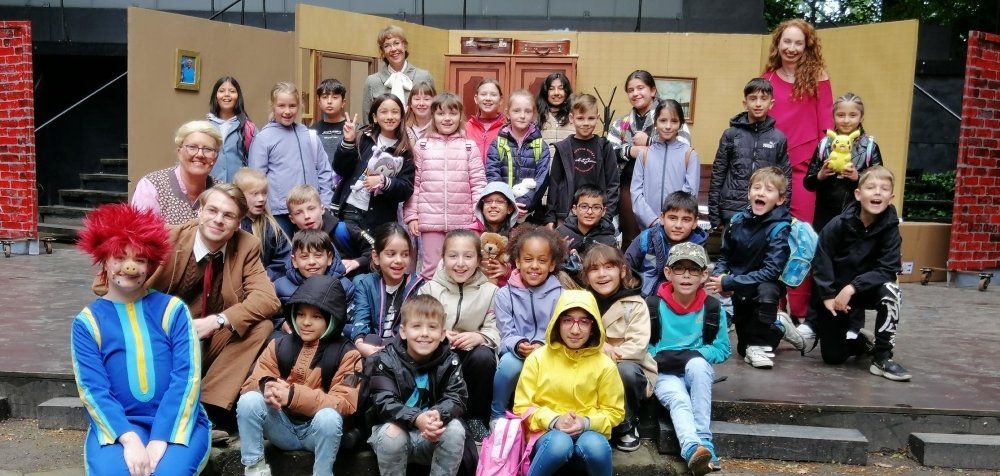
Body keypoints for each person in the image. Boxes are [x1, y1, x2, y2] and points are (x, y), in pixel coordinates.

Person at [73, 204, 210, 476]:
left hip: (178, 423)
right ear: (104, 259)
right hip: (118, 427)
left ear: (150, 264)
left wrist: (161, 438)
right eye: (119, 256)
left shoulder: (172, 310)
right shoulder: (87, 322)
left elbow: (187, 377)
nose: (130, 266)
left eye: (140, 258)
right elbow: (93, 389)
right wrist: (129, 439)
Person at [146, 183, 280, 437]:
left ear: (238, 223)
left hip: (208, 338)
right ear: (199, 211)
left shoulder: (246, 245)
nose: (218, 220)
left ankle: (207, 410)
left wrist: (218, 320)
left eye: (228, 215)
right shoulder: (167, 237)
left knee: (261, 326)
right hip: (161, 338)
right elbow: (108, 282)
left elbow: (268, 299)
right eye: (212, 210)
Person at [236, 275, 362, 476]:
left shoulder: (350, 355)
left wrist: (293, 396)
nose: (306, 322)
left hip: (318, 434)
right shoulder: (278, 345)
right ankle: (255, 468)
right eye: (301, 314)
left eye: (316, 317)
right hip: (281, 428)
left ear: (332, 319)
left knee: (329, 417)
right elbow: (249, 384)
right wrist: (266, 386)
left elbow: (346, 404)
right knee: (249, 400)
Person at [762, 18, 834, 324]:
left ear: (807, 47)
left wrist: (823, 166)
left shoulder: (818, 77)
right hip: (773, 171)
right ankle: (774, 310)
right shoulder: (766, 79)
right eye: (786, 41)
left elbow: (827, 125)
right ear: (778, 44)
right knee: (773, 239)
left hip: (805, 170)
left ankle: (802, 315)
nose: (791, 48)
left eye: (798, 43)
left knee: (803, 239)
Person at [811, 166, 909, 381]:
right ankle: (861, 343)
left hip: (867, 290)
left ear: (891, 198)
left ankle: (882, 357)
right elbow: (821, 259)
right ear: (858, 194)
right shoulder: (838, 224)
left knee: (891, 291)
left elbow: (888, 268)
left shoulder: (891, 229)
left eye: (884, 189)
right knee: (833, 357)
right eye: (871, 187)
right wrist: (827, 296)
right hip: (836, 294)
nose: (877, 192)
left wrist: (853, 287)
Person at [512, 290, 625, 476]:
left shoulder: (605, 365)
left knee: (596, 446)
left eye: (584, 322)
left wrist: (585, 422)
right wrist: (554, 420)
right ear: (557, 323)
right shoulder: (538, 358)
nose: (575, 330)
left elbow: (615, 412)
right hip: (547, 438)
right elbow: (522, 406)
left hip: (589, 434)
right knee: (559, 443)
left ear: (594, 326)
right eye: (567, 320)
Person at [704, 167, 804, 368]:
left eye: (769, 190)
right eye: (757, 188)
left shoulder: (780, 228)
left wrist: (730, 282)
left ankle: (760, 344)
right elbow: (725, 254)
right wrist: (720, 275)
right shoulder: (736, 221)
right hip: (740, 288)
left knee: (766, 294)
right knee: (743, 348)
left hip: (764, 287)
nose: (761, 193)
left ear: (780, 199)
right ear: (749, 193)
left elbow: (771, 271)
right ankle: (779, 327)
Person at [647, 242, 730, 475]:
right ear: (668, 273)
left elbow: (722, 349)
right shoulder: (653, 306)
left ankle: (705, 440)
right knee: (679, 400)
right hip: (665, 373)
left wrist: (694, 354)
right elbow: (643, 346)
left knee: (697, 364)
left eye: (693, 269)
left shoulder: (712, 308)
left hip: (696, 372)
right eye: (679, 268)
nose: (686, 275)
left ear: (704, 275)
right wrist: (661, 357)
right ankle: (693, 449)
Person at [368, 295, 468, 476]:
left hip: (432, 438)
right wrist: (416, 418)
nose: (424, 333)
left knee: (455, 429)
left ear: (443, 334)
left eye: (432, 327)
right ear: (403, 331)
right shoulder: (385, 360)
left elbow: (457, 397)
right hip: (394, 439)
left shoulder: (450, 361)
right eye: (416, 326)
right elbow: (384, 402)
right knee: (392, 434)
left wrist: (438, 414)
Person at [418, 230, 500, 441]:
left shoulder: (490, 292)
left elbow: (495, 328)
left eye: (468, 256)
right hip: (438, 353)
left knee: (484, 356)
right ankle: (432, 412)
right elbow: (417, 326)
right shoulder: (429, 289)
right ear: (443, 258)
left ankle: (475, 417)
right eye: (453, 256)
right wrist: (440, 334)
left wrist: (480, 337)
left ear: (478, 260)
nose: (460, 263)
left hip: (470, 355)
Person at [404, 92, 487, 279]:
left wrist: (478, 216)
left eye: (453, 113)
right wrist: (412, 216)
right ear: (433, 116)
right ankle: (428, 299)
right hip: (430, 221)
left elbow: (478, 184)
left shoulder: (469, 147)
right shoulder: (422, 146)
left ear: (460, 116)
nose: (447, 118)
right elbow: (414, 185)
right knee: (431, 269)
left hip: (464, 222)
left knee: (462, 268)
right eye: (441, 114)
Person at [580, 243, 652, 452]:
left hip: (625, 365)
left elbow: (637, 347)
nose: (602, 274)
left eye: (609, 267)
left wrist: (605, 353)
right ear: (586, 277)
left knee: (625, 371)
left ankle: (626, 424)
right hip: (588, 363)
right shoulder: (582, 302)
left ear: (622, 271)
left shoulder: (635, 304)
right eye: (594, 269)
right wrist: (598, 348)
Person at [491, 225, 566, 421]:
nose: (534, 266)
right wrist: (518, 344)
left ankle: (546, 417)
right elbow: (505, 332)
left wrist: (542, 345)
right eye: (528, 259)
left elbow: (561, 333)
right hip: (516, 351)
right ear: (517, 262)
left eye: (542, 261)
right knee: (509, 365)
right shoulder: (504, 295)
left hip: (550, 351)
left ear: (552, 265)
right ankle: (496, 415)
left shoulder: (561, 295)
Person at [609, 70, 692, 247]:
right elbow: (609, 152)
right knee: (632, 239)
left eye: (641, 88)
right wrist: (631, 150)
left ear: (653, 91)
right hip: (629, 187)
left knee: (665, 238)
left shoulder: (670, 117)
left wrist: (649, 142)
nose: (635, 93)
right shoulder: (621, 123)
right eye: (631, 90)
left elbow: (682, 145)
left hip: (665, 186)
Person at [248, 82, 335, 240]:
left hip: (310, 211)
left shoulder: (308, 135)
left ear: (299, 106)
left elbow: (324, 170)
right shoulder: (263, 138)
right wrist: (265, 210)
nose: (287, 111)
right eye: (281, 106)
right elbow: (256, 180)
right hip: (279, 214)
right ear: (273, 106)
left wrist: (325, 202)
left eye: (292, 106)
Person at [708, 78, 792, 230]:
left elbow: (785, 179)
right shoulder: (731, 135)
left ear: (771, 103)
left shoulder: (778, 138)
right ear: (745, 103)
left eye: (763, 99)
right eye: (753, 99)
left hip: (766, 213)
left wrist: (782, 213)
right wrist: (714, 215)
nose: (758, 104)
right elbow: (718, 175)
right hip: (732, 211)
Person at [333, 93, 415, 232]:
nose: (390, 116)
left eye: (395, 112)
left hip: (379, 218)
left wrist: (384, 182)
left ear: (402, 116)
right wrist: (348, 141)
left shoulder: (404, 149)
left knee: (372, 247)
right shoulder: (363, 137)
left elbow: (406, 188)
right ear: (375, 117)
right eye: (384, 112)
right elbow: (341, 169)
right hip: (350, 209)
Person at [804, 92, 884, 234]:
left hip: (858, 212)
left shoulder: (869, 147)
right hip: (825, 213)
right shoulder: (824, 145)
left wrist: (858, 178)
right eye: (841, 115)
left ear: (861, 117)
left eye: (853, 115)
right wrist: (820, 175)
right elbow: (808, 184)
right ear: (833, 116)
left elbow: (880, 184)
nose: (846, 120)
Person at [350, 223, 425, 356]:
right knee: (370, 339)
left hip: (403, 348)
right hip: (372, 346)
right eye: (391, 254)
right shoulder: (365, 284)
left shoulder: (417, 286)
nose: (399, 260)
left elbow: (415, 326)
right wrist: (360, 344)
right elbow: (361, 317)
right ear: (376, 257)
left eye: (405, 254)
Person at [547, 93, 620, 230]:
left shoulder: (604, 147)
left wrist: (607, 215)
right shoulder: (563, 148)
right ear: (571, 118)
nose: (586, 123)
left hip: (597, 215)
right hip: (567, 215)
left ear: (597, 118)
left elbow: (613, 184)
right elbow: (554, 184)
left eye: (591, 118)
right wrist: (550, 217)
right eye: (580, 118)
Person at [132, 120, 220, 225]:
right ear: (179, 152)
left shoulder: (221, 191)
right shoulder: (152, 186)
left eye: (208, 149)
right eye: (192, 147)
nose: (200, 154)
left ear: (216, 157)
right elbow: (142, 232)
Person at [631, 99, 700, 230]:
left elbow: (690, 194)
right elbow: (636, 192)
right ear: (655, 122)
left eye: (674, 121)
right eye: (663, 120)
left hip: (677, 227)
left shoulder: (690, 155)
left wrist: (672, 220)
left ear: (680, 124)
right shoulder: (644, 155)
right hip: (649, 226)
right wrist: (652, 220)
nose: (668, 126)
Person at [485, 90, 551, 225]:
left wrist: (524, 203)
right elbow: (493, 175)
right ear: (508, 113)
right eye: (516, 111)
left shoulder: (541, 146)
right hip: (503, 212)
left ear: (534, 114)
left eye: (528, 111)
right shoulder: (497, 143)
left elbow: (542, 179)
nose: (522, 116)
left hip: (531, 213)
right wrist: (509, 203)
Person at [625, 191, 708, 297]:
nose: (678, 225)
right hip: (645, 298)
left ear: (695, 222)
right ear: (662, 217)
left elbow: (700, 280)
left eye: (686, 220)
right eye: (672, 218)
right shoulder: (647, 238)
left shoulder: (698, 246)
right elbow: (626, 267)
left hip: (681, 300)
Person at [273, 229, 355, 335]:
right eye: (304, 257)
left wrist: (330, 331)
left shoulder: (344, 286)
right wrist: (282, 324)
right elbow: (271, 319)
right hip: (292, 338)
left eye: (318, 255)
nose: (311, 262)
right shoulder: (279, 287)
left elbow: (352, 322)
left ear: (329, 258)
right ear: (294, 261)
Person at [287, 184, 373, 277]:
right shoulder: (293, 241)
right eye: (298, 213)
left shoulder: (343, 230)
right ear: (292, 219)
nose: (307, 216)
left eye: (311, 209)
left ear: (322, 209)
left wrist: (357, 262)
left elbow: (376, 250)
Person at [362, 25, 434, 125]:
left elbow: (433, 112)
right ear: (383, 51)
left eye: (396, 43)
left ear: (404, 45)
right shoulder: (372, 81)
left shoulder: (424, 77)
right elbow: (368, 121)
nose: (393, 49)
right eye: (387, 46)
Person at [234, 167, 290, 282]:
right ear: (240, 195)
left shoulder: (271, 227)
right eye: (255, 194)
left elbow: (283, 258)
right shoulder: (233, 225)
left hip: (264, 282)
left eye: (264, 193)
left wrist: (265, 277)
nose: (261, 199)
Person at [207, 76, 257, 183]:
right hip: (211, 187)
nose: (227, 94)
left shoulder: (248, 127)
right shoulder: (206, 127)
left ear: (238, 96)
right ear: (215, 96)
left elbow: (256, 162)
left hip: (238, 187)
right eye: (221, 91)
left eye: (232, 91)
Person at [474, 182, 519, 287]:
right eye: (488, 201)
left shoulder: (516, 236)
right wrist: (476, 264)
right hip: (474, 289)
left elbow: (524, 268)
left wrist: (507, 271)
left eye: (500, 201)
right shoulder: (471, 233)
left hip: (506, 291)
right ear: (481, 207)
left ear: (510, 208)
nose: (493, 205)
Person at [555, 185, 616, 258]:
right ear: (574, 209)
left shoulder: (608, 240)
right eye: (584, 207)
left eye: (596, 207)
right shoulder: (561, 233)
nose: (589, 212)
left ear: (604, 211)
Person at [536, 72, 576, 158]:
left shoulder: (575, 117)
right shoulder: (536, 117)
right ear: (545, 92)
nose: (556, 93)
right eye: (551, 89)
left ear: (567, 92)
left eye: (561, 88)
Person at [312, 78, 349, 170]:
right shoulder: (312, 131)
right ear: (319, 102)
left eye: (335, 97)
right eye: (324, 97)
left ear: (343, 102)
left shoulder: (353, 128)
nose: (329, 101)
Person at [465, 79, 505, 164]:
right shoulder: (466, 128)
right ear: (476, 99)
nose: (488, 98)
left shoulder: (507, 128)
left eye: (493, 95)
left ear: (501, 100)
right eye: (483, 94)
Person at [404, 81, 436, 146]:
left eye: (426, 99)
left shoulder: (440, 127)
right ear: (410, 104)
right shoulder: (402, 127)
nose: (421, 103)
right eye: (417, 99)